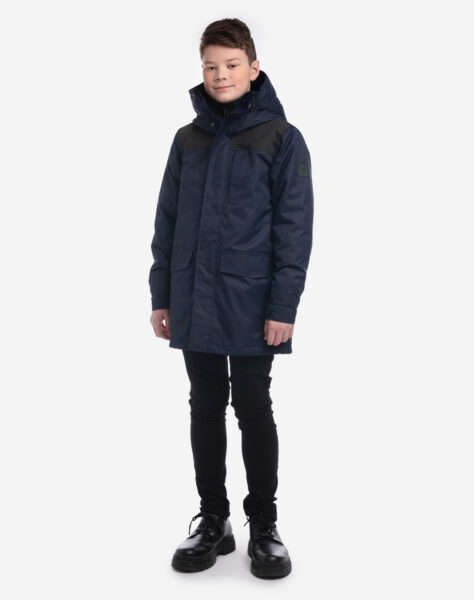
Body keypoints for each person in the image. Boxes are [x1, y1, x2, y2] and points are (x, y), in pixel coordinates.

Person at [148, 18, 314, 579]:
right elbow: (167, 221)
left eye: (231, 65)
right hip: (192, 294)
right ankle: (213, 519)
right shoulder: (187, 140)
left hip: (252, 300)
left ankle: (263, 523)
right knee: (203, 403)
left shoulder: (282, 138)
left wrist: (283, 307)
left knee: (252, 404)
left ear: (254, 67)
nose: (220, 75)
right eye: (210, 67)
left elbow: (294, 229)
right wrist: (162, 295)